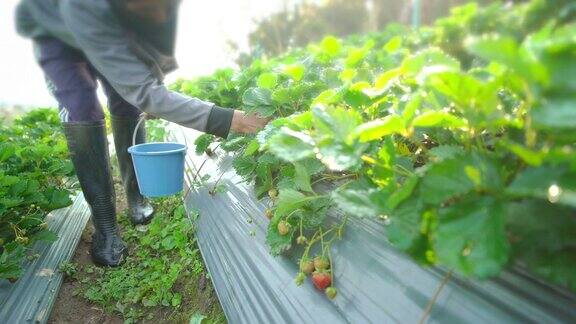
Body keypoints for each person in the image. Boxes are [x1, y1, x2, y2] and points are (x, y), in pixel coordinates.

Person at [14, 0, 269, 267]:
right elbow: (146, 93)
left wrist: (155, 83)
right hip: (56, 31)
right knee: (81, 106)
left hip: (112, 26)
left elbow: (155, 45)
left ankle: (135, 197)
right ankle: (106, 228)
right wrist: (233, 120)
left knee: (127, 102)